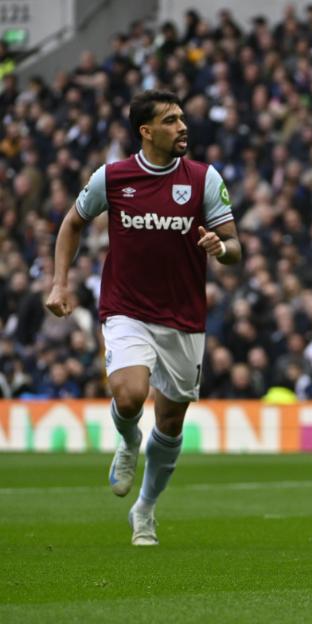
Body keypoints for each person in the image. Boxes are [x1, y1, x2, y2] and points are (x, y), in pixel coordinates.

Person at [45, 89, 241, 546]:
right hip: (126, 308)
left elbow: (235, 246)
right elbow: (72, 222)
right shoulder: (112, 178)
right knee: (131, 397)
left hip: (184, 317)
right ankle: (128, 439)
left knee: (171, 422)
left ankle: (145, 510)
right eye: (171, 120)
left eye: (182, 118)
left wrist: (221, 247)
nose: (182, 127)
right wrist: (60, 282)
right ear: (146, 131)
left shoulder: (204, 179)